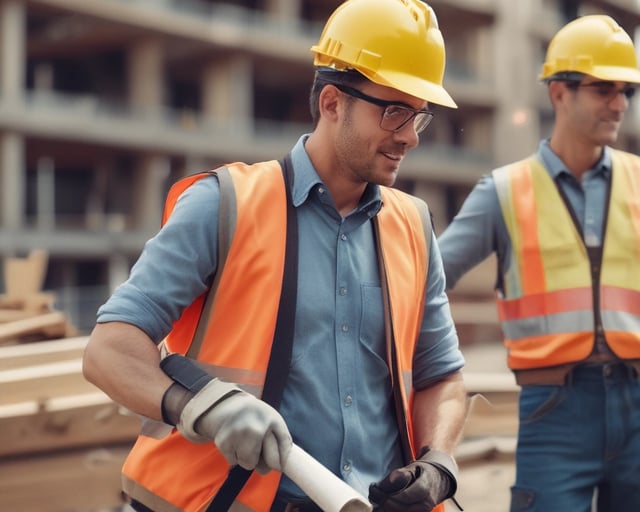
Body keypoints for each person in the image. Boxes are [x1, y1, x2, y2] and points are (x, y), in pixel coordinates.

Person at [82, 1, 467, 511]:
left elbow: (442, 376)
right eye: (395, 112)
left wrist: (439, 461)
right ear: (332, 103)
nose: (410, 136)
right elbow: (109, 350)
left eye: (419, 116)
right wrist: (201, 408)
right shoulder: (225, 204)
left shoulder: (414, 225)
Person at [437, 14, 640, 512]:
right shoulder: (503, 192)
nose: (620, 103)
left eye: (625, 91)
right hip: (554, 412)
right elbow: (426, 282)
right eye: (603, 89)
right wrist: (438, 376)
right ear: (559, 94)